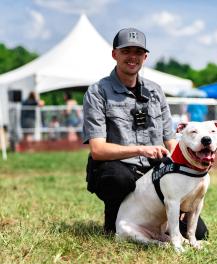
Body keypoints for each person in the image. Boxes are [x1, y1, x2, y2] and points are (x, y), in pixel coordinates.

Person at [83, 27, 208, 238]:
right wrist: (141, 150)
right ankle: (114, 219)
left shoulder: (156, 91)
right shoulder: (98, 92)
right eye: (126, 51)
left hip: (154, 172)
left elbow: (171, 142)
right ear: (114, 54)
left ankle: (163, 220)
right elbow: (97, 150)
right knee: (116, 178)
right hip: (118, 169)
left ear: (145, 57)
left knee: (199, 233)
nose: (132, 57)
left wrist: (189, 165)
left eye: (138, 52)